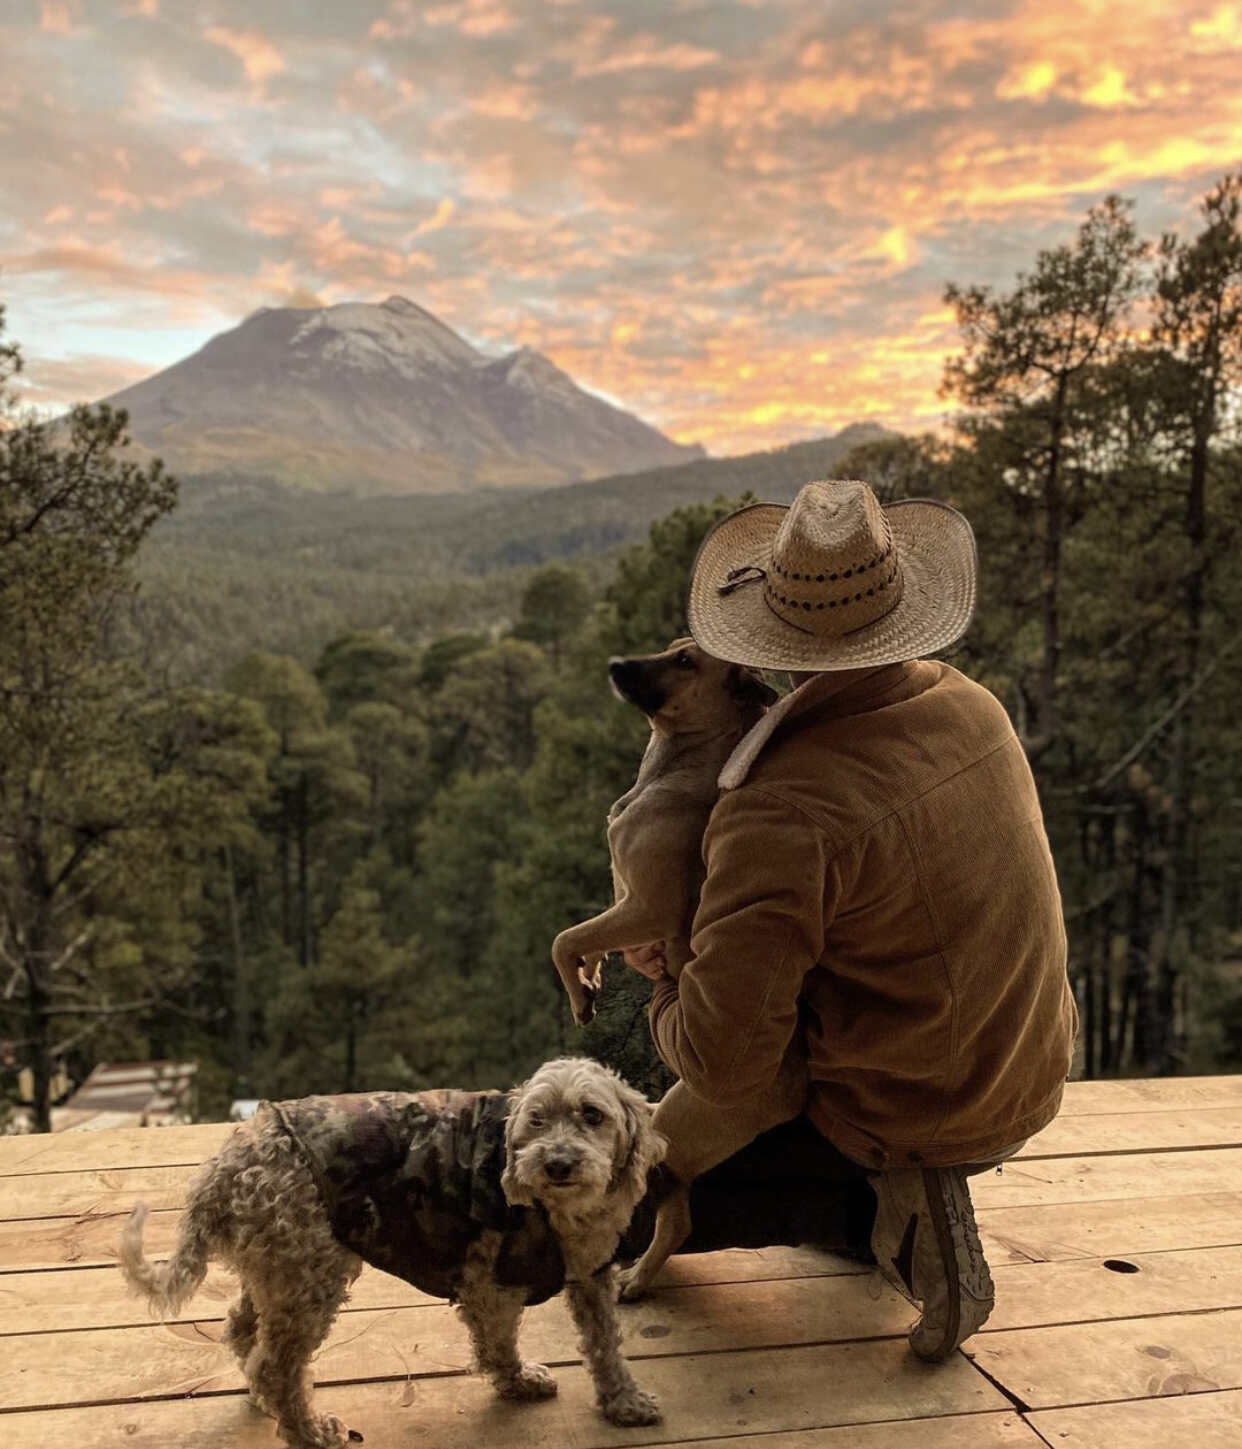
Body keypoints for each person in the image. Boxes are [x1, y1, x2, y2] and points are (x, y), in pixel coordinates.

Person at [621, 479, 1078, 1361]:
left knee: (635, 1178)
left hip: (919, 1104)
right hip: (1030, 1059)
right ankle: (877, 1205)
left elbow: (724, 1061)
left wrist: (669, 967)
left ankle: (910, 1209)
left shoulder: (781, 805)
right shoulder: (967, 704)